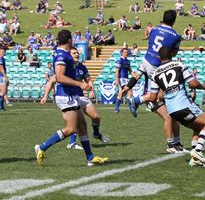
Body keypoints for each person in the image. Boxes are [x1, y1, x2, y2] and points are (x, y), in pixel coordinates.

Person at [34, 30, 109, 166]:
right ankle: (42, 147)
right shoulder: (62, 55)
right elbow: (60, 77)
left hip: (71, 94)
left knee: (82, 126)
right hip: (65, 96)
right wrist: (80, 83)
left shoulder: (63, 54)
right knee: (71, 129)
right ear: (69, 39)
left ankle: (90, 157)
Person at [123, 10, 186, 153]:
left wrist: (127, 87)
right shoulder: (176, 36)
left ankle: (176, 144)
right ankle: (137, 100)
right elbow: (172, 53)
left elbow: (150, 42)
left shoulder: (153, 29)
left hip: (146, 59)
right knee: (158, 96)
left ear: (162, 18)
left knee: (168, 108)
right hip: (156, 65)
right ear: (174, 21)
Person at [149, 47, 205, 167]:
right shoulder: (179, 65)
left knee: (198, 128)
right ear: (172, 54)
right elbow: (193, 83)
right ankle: (197, 151)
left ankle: (195, 159)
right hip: (184, 105)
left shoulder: (156, 73)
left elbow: (153, 98)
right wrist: (203, 86)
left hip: (172, 111)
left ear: (159, 57)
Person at [41, 47, 110, 149]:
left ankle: (96, 134)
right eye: (74, 53)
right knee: (77, 122)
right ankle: (72, 143)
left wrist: (91, 90)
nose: (77, 54)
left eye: (77, 53)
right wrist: (45, 96)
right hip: (70, 98)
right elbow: (52, 80)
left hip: (81, 97)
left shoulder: (82, 67)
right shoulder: (66, 68)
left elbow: (89, 80)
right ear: (69, 55)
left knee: (96, 117)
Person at [115, 48, 136, 113]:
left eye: (127, 52)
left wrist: (135, 76)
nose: (126, 53)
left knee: (122, 92)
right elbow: (117, 70)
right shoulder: (120, 60)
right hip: (121, 78)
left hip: (126, 79)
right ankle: (130, 108)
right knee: (129, 90)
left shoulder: (128, 61)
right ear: (122, 53)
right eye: (125, 52)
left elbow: (130, 70)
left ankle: (116, 108)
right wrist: (116, 79)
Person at [0, 46, 8, 111]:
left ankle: (2, 107)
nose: (3, 53)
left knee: (2, 93)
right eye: (2, 52)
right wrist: (6, 77)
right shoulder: (0, 59)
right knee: (3, 92)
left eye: (4, 52)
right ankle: (1, 107)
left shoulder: (2, 58)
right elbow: (2, 69)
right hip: (1, 77)